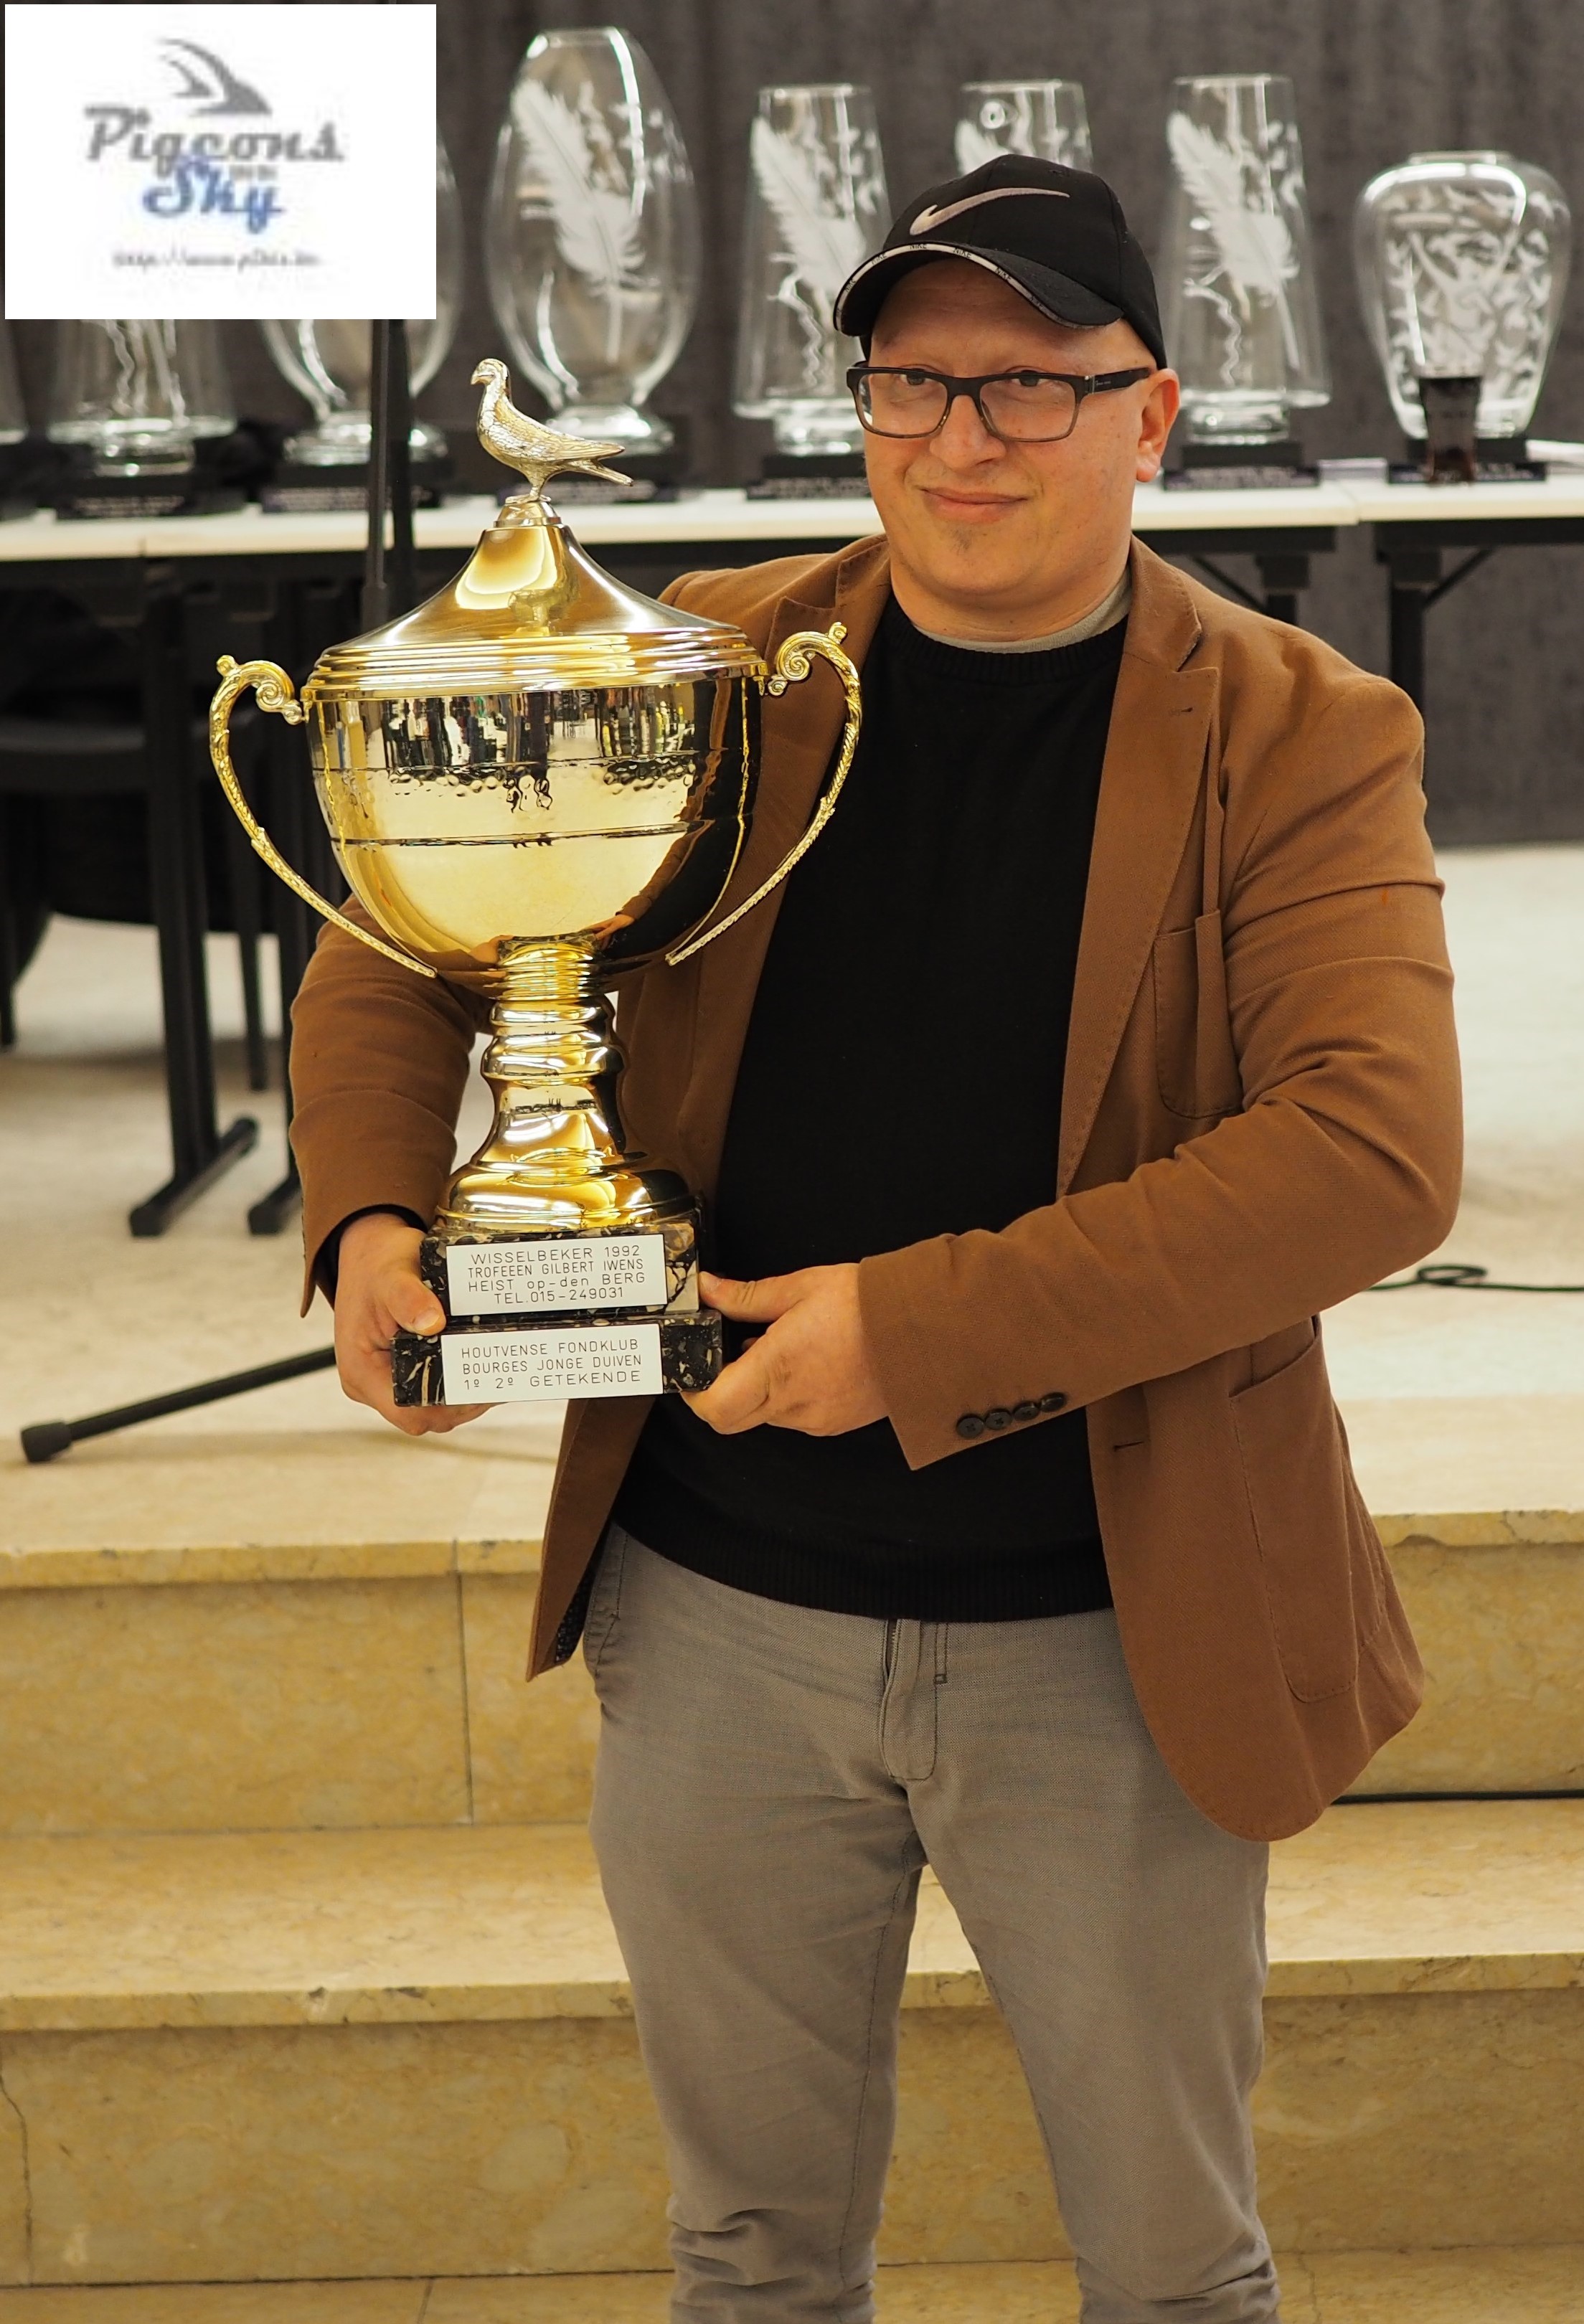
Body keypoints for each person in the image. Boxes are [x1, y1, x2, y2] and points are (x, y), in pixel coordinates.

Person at [291, 156, 1461, 2324]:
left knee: (1173, 2274)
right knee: (749, 2261)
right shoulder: (714, 662)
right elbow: (407, 935)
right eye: (910, 383)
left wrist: (911, 1332)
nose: (960, 439)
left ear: (1153, 415)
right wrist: (371, 1208)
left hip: (1109, 1621)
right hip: (716, 1608)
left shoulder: (1299, 729)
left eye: (1032, 387)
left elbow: (1369, 1152)